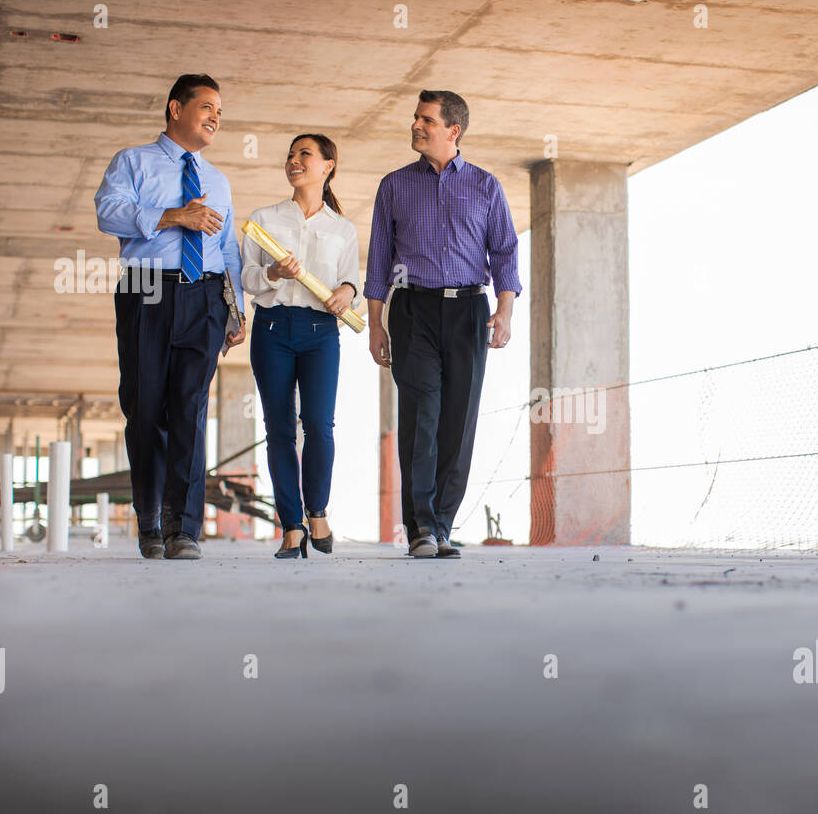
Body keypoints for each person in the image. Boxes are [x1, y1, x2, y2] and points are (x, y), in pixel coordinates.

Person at [365, 89, 521, 559]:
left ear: (453, 131)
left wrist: (505, 309)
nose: (416, 125)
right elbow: (378, 259)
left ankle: (443, 525)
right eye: (416, 117)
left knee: (458, 420)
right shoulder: (394, 185)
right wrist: (376, 323)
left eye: (426, 120)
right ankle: (421, 528)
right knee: (421, 416)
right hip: (413, 311)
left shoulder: (485, 185)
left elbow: (505, 251)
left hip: (469, 311)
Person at [95, 73, 246, 560]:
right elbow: (108, 212)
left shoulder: (218, 180)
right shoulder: (133, 161)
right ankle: (150, 521)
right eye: (206, 107)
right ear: (176, 108)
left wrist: (235, 307)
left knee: (192, 409)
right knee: (145, 409)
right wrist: (174, 216)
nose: (215, 118)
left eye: (220, 111)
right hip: (145, 289)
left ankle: (185, 529)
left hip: (203, 297)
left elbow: (226, 249)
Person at [241, 134, 360, 559]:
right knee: (278, 430)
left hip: (321, 332)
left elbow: (353, 283)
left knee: (319, 425)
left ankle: (318, 512)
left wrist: (347, 291)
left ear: (328, 166)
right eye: (290, 155)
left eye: (304, 154)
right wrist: (272, 272)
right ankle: (291, 526)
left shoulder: (342, 228)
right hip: (272, 329)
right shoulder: (263, 219)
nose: (293, 160)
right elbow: (246, 279)